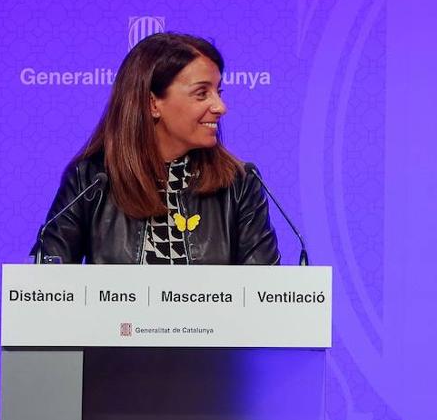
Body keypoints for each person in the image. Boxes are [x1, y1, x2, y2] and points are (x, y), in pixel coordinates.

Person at [32, 32, 280, 264]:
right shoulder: (90, 180)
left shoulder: (239, 184)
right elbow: (46, 283)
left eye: (219, 92)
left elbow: (264, 292)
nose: (220, 107)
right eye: (202, 93)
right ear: (152, 103)